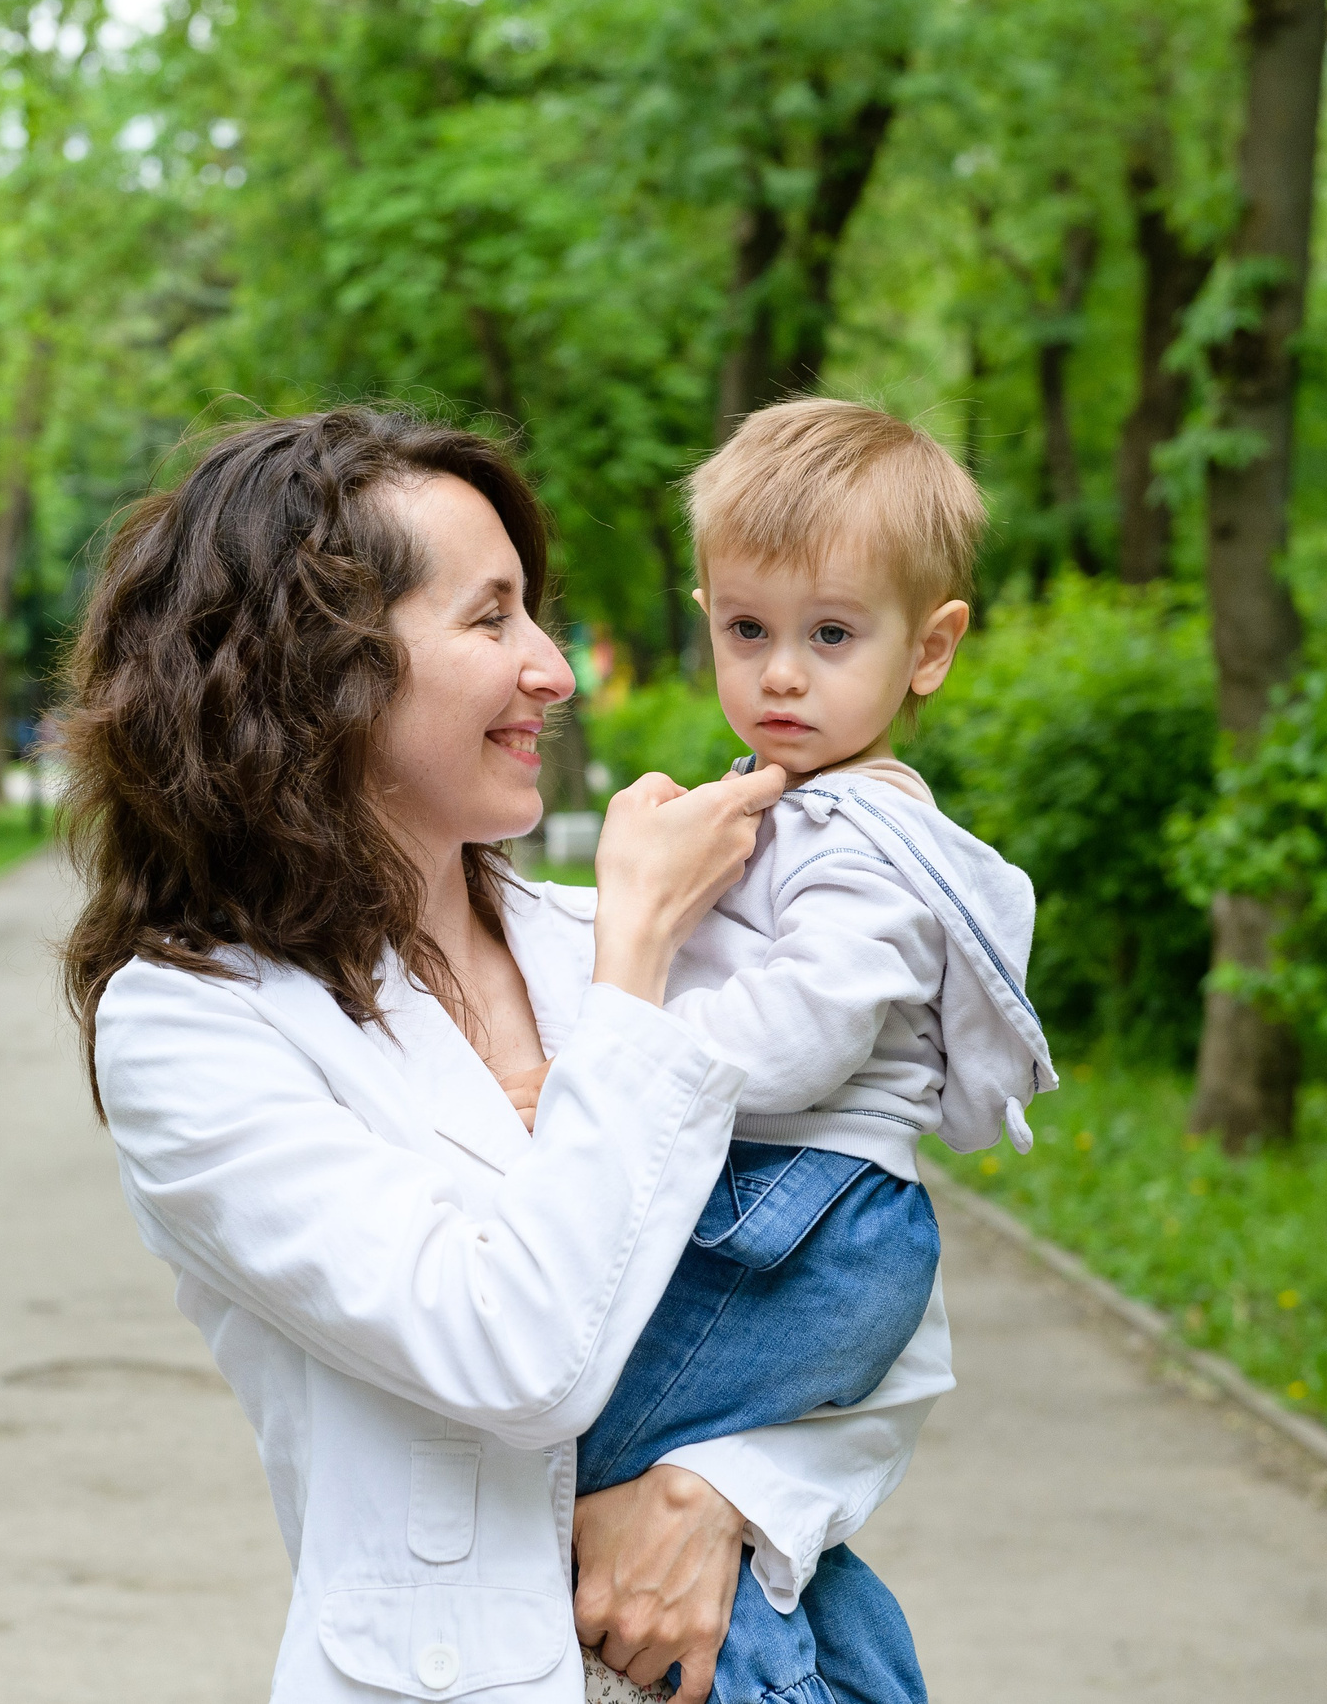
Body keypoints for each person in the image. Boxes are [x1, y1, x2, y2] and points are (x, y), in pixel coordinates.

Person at [65, 406, 956, 1704]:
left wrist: (723, 1496)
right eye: (492, 621)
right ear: (322, 668)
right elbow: (508, 1352)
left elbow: (874, 1299)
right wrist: (643, 957)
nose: (555, 668)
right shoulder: (197, 1024)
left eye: (536, 615)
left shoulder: (597, 946)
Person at [504, 399, 1057, 1704]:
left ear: (930, 651)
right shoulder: (805, 810)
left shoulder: (860, 844)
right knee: (757, 1532)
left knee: (578, 1472)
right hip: (811, 1224)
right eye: (747, 630)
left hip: (795, 1221)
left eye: (830, 635)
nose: (781, 674)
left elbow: (803, 1037)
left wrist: (611, 1053)